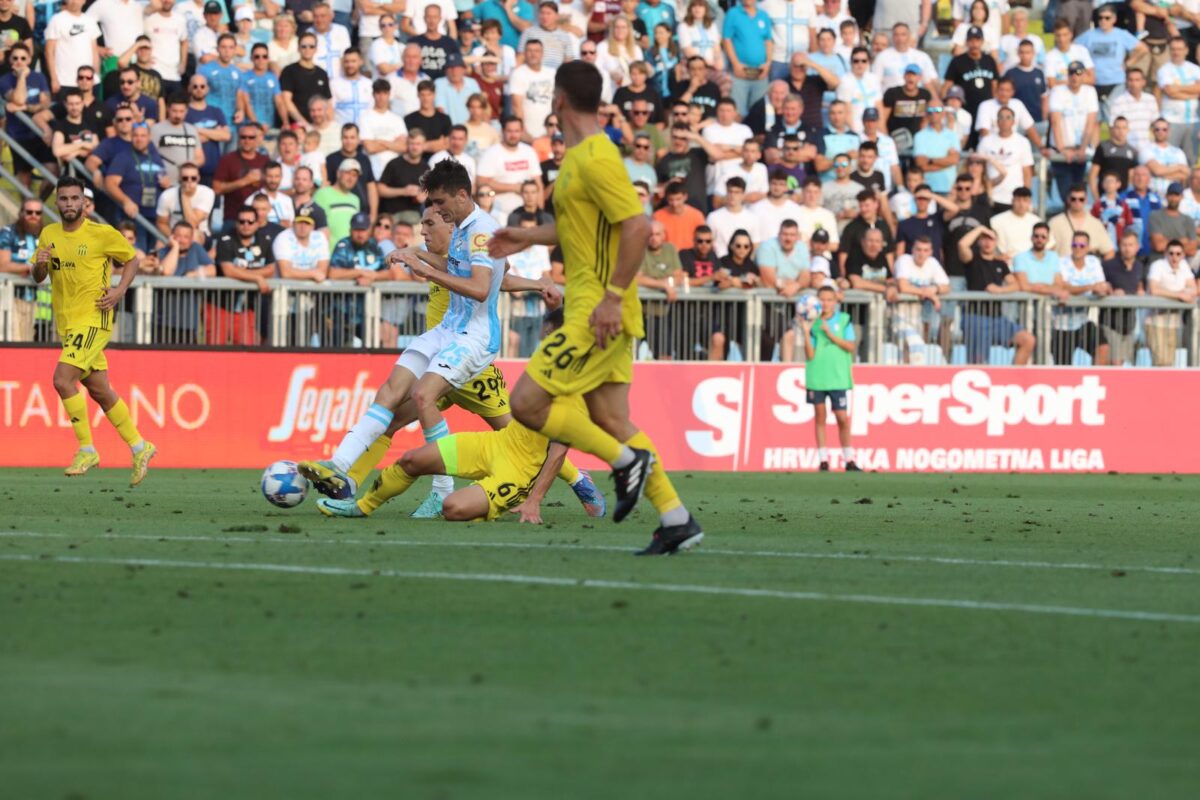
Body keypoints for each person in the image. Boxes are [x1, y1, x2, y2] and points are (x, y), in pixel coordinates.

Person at [487, 60, 701, 554]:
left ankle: (625, 463)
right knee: (611, 418)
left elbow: (636, 225)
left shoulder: (596, 158)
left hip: (594, 311)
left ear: (559, 99)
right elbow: (584, 228)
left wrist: (609, 296)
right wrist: (526, 235)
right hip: (605, 307)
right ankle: (676, 518)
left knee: (526, 403)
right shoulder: (581, 158)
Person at [299, 159, 504, 503]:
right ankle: (339, 464)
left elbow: (481, 288)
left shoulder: (481, 232)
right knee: (391, 390)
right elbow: (457, 265)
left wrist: (423, 269)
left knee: (427, 398)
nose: (435, 210)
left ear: (462, 195)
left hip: (474, 337)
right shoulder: (463, 227)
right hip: (447, 330)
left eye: (439, 203)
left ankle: (442, 491)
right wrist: (416, 254)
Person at [31, 177, 155, 482]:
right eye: (64, 199)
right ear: (57, 202)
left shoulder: (101, 234)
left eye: (76, 199)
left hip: (95, 317)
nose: (70, 204)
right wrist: (41, 264)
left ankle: (87, 448)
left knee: (62, 379)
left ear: (85, 203)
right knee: (100, 390)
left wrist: (119, 291)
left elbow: (133, 260)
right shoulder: (48, 233)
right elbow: (37, 276)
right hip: (68, 323)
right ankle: (140, 446)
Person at [955, 226, 1036, 365]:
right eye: (984, 239)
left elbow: (1016, 285)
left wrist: (999, 290)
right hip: (975, 318)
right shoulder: (972, 259)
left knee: (1028, 340)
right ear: (979, 241)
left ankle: (1013, 381)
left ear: (997, 242)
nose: (988, 243)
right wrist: (980, 229)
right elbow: (962, 244)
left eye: (991, 239)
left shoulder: (1000, 264)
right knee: (978, 362)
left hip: (997, 318)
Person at [800, 285, 859, 472]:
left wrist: (830, 334)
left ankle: (849, 459)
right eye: (822, 299)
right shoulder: (812, 323)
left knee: (842, 417)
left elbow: (850, 347)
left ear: (835, 301)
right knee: (820, 417)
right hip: (817, 376)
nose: (825, 303)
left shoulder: (843, 320)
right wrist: (805, 332)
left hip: (838, 377)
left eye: (829, 299)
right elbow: (809, 354)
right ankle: (823, 460)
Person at [213, 206, 277, 345]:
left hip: (246, 307)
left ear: (257, 223)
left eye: (250, 222)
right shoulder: (225, 239)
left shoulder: (265, 240)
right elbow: (228, 271)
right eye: (241, 222)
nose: (245, 225)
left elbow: (271, 269)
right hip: (220, 305)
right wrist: (257, 277)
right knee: (214, 351)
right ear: (236, 223)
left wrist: (242, 274)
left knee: (247, 351)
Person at [1053, 230, 1112, 365]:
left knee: (1102, 347)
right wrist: (1090, 287)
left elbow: (1101, 285)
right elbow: (1064, 287)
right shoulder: (1061, 263)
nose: (1078, 248)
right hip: (1062, 324)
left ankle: (1094, 380)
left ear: (1088, 247)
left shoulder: (1093, 262)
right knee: (1063, 368)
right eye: (1074, 245)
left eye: (1082, 245)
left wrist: (1105, 289)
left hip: (1083, 321)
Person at [1145, 239, 1198, 366]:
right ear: (1165, 253)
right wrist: (1179, 295)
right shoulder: (1157, 265)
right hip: (1155, 321)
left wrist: (1174, 294)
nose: (1174, 257)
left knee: (1169, 362)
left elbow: (1193, 289)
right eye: (1171, 253)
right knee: (1160, 362)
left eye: (1178, 254)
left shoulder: (1184, 266)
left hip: (1174, 322)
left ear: (1183, 255)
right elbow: (1154, 289)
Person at [1100, 229, 1148, 367]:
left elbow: (1140, 284)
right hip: (1110, 322)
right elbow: (1100, 286)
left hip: (1131, 322)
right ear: (1119, 246)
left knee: (1123, 362)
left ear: (1137, 247)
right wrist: (1110, 291)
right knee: (1114, 363)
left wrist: (1140, 290)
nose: (1127, 249)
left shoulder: (1140, 266)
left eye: (1131, 245)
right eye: (1124, 245)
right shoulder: (1108, 265)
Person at [214, 122, 269, 234]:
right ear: (238, 139)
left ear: (257, 139)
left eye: (251, 137)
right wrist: (245, 181)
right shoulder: (228, 160)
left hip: (260, 219)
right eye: (243, 137)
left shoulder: (265, 160)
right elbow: (217, 188)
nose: (247, 140)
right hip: (233, 218)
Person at [722, 0, 774, 115]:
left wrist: (768, 63)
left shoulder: (763, 15)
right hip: (740, 72)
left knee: (758, 112)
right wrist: (735, 64)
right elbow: (727, 39)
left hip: (760, 73)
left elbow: (768, 41)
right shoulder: (733, 13)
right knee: (738, 111)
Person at [1156, 36, 1200, 162]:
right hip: (1171, 120)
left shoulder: (1195, 69)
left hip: (1193, 121)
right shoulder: (1164, 70)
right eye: (1173, 49)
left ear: (1186, 50)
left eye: (1180, 49)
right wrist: (1193, 91)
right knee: (1170, 159)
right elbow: (1170, 92)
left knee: (1191, 160)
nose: (1176, 52)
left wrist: (1178, 88)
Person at [44, 0, 100, 95]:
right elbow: (49, 51)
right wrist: (54, 78)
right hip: (65, 81)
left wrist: (96, 75)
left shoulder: (90, 20)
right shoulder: (57, 19)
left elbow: (94, 51)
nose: (74, 1)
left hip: (88, 80)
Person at [281, 32, 333, 127]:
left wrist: (329, 125)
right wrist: (304, 124)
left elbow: (327, 102)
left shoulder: (322, 73)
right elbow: (286, 101)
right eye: (304, 46)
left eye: (311, 46)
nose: (307, 49)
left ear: (316, 49)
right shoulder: (289, 71)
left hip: (318, 126)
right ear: (298, 48)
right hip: (297, 126)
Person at [156, 161, 215, 243]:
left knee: (193, 236)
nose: (189, 181)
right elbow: (161, 223)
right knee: (159, 245)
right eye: (185, 178)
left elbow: (192, 224)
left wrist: (184, 195)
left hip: (200, 233)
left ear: (198, 178)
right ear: (179, 179)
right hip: (174, 233)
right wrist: (174, 237)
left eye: (193, 178)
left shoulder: (207, 193)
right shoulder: (167, 196)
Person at [378, 129, 428, 223]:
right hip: (392, 215)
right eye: (412, 143)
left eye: (418, 144)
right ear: (407, 145)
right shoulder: (394, 164)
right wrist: (403, 191)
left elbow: (427, 193)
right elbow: (380, 190)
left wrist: (422, 196)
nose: (415, 147)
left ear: (424, 145)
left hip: (414, 216)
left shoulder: (426, 168)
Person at [1107, 70, 1159, 153]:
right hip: (1125, 149)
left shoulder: (1150, 100)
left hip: (1147, 149)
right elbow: (1113, 128)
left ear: (1143, 82)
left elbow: (1156, 125)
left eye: (1137, 80)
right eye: (1131, 80)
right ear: (1126, 82)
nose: (1134, 84)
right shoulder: (1118, 102)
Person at [1089, 116, 1138, 198]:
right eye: (1118, 128)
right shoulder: (1103, 148)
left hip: (1122, 199)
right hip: (1104, 196)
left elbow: (1131, 178)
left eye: (1124, 128)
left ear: (1128, 130)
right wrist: (1097, 198)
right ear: (1112, 129)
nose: (1121, 131)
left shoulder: (1132, 151)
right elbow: (1093, 175)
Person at [1149, 182, 1198, 257]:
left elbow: (1192, 250)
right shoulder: (1155, 216)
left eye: (1176, 195)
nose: (1173, 198)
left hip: (1181, 262)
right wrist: (1182, 241)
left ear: (1181, 197)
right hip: (1160, 260)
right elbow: (1159, 246)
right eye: (1171, 195)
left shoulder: (1188, 220)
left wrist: (1166, 241)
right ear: (1166, 196)